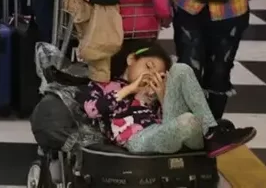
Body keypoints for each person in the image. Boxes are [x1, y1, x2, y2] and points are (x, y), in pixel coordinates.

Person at [83, 42, 256, 156]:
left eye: (159, 75)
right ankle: (210, 133)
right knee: (188, 120)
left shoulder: (154, 91)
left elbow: (167, 119)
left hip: (168, 131)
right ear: (131, 59)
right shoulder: (106, 86)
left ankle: (212, 133)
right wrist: (130, 89)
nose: (151, 75)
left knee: (181, 69)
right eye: (148, 66)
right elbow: (92, 111)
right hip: (138, 140)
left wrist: (162, 95)